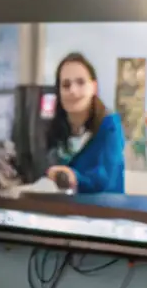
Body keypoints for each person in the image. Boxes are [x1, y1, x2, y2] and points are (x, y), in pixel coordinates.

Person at [43, 53, 125, 195]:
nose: (73, 91)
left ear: (94, 87)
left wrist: (73, 177)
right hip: (63, 206)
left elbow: (104, 179)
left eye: (80, 82)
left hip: (104, 207)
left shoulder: (110, 125)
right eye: (66, 85)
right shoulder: (55, 129)